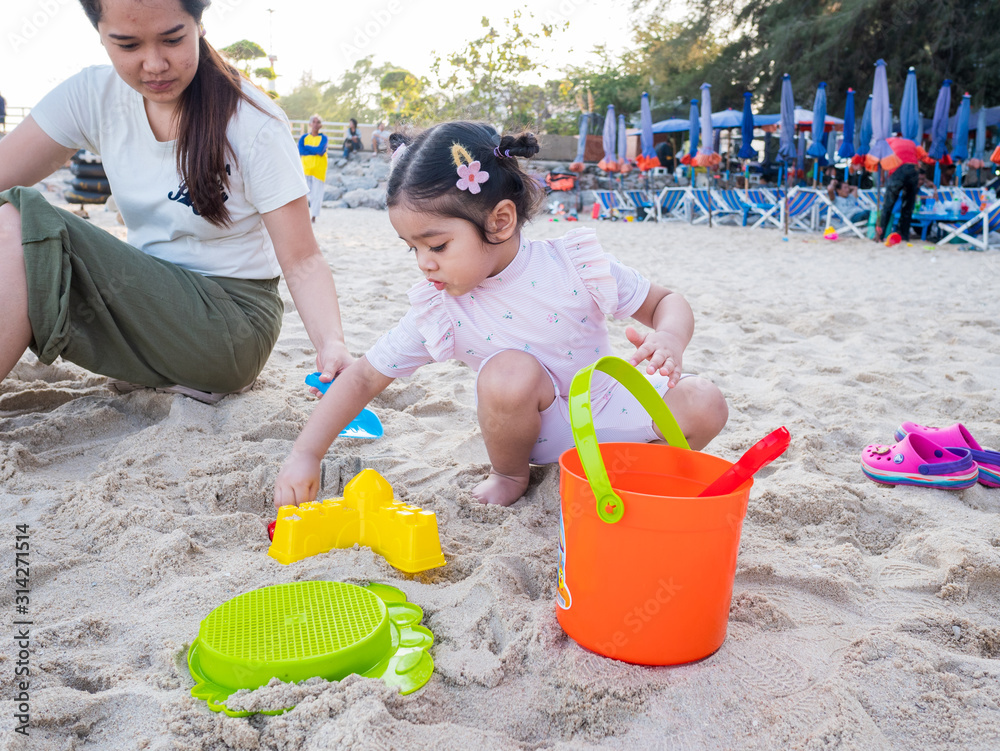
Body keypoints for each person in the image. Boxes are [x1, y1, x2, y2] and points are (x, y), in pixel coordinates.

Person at [273, 121, 729, 509]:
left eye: (437, 246)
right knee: (509, 371)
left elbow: (667, 301)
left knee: (705, 400)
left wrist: (670, 338)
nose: (423, 263)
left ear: (500, 221)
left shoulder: (574, 264)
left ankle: (643, 467)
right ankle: (510, 477)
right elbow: (363, 378)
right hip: (540, 438)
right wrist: (305, 454)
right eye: (412, 248)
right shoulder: (443, 308)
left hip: (614, 412)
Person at [0, 0, 352, 405]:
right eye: (128, 45)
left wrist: (332, 345)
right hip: (141, 299)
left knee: (18, 221)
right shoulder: (93, 95)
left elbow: (303, 259)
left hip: (229, 324)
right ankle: (161, 371)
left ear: (199, 25)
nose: (154, 64)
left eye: (172, 39)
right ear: (100, 36)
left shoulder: (252, 123)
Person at [875, 137, 926, 244]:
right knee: (908, 206)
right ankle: (904, 236)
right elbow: (918, 160)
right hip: (913, 171)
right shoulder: (912, 142)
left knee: (888, 206)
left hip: (898, 170)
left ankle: (881, 236)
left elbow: (882, 160)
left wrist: (882, 178)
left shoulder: (886, 142)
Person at [298, 114, 328, 223]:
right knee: (304, 195)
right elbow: (301, 150)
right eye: (314, 122)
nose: (315, 124)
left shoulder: (323, 138)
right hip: (306, 169)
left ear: (320, 125)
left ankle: (314, 216)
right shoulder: (304, 138)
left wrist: (309, 150)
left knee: (317, 195)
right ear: (310, 124)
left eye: (318, 122)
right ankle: (303, 216)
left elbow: (321, 150)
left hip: (319, 170)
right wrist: (314, 151)